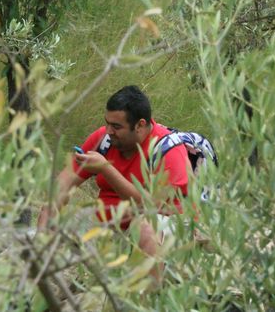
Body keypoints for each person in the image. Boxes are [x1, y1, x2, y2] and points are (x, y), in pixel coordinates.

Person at [38, 85, 190, 283]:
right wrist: (42, 234)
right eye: (107, 123)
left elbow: (151, 208)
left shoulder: (168, 150)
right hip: (110, 227)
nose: (108, 131)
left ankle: (149, 298)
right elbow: (62, 185)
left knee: (144, 228)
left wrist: (106, 169)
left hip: (158, 230)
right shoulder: (103, 139)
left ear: (140, 125)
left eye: (116, 127)